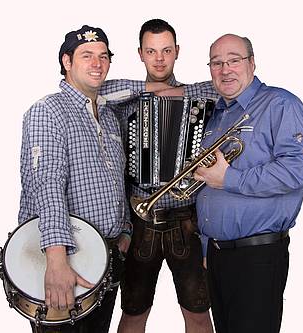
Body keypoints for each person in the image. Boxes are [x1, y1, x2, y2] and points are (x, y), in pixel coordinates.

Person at [193, 34, 303, 333]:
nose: (225, 69)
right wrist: (205, 247)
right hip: (216, 255)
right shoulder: (218, 116)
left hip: (257, 256)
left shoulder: (280, 104)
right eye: (217, 63)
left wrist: (230, 179)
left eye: (234, 60)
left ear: (252, 63)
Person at [99, 19, 216, 333]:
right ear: (140, 53)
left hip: (187, 219)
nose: (160, 58)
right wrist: (156, 90)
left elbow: (223, 84)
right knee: (133, 313)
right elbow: (99, 89)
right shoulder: (124, 99)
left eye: (166, 50)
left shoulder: (197, 95)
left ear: (177, 51)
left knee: (199, 313)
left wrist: (180, 93)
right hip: (140, 220)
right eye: (151, 51)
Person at [18, 25, 133, 333]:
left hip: (107, 260)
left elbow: (117, 181)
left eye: (103, 56)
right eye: (86, 56)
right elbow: (48, 185)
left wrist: (125, 233)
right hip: (66, 262)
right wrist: (56, 260)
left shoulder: (109, 116)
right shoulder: (48, 110)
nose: (97, 63)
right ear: (67, 62)